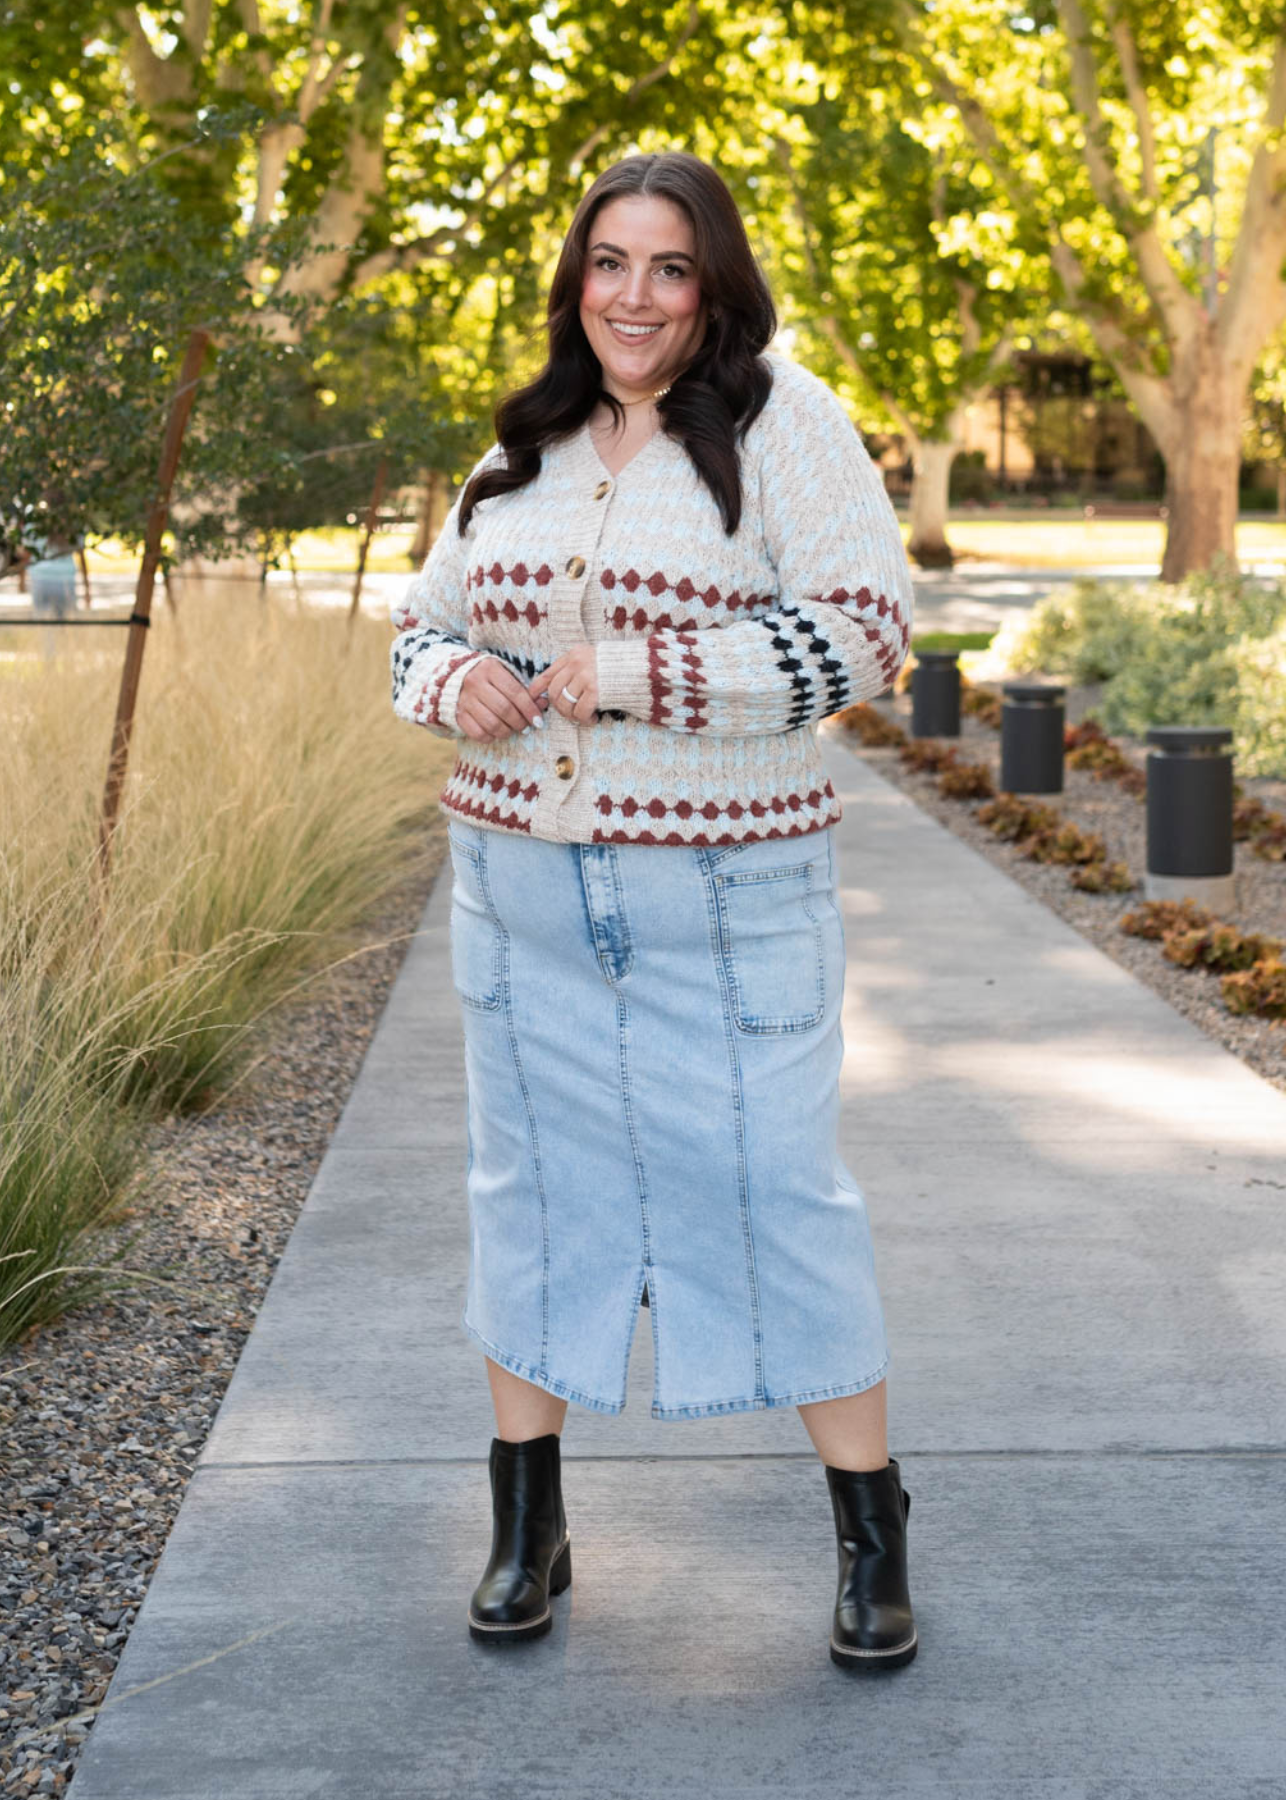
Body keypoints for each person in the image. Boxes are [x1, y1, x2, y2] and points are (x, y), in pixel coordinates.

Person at [389, 150, 918, 1674]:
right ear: (576, 281)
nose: (633, 297)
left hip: (727, 891)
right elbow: (420, 630)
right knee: (529, 1194)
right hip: (519, 888)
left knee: (774, 1193)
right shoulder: (523, 445)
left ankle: (871, 1529)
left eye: (667, 267)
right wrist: (451, 680)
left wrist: (642, 673)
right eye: (608, 263)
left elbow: (866, 634)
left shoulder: (783, 423)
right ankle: (526, 1526)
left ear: (713, 284)